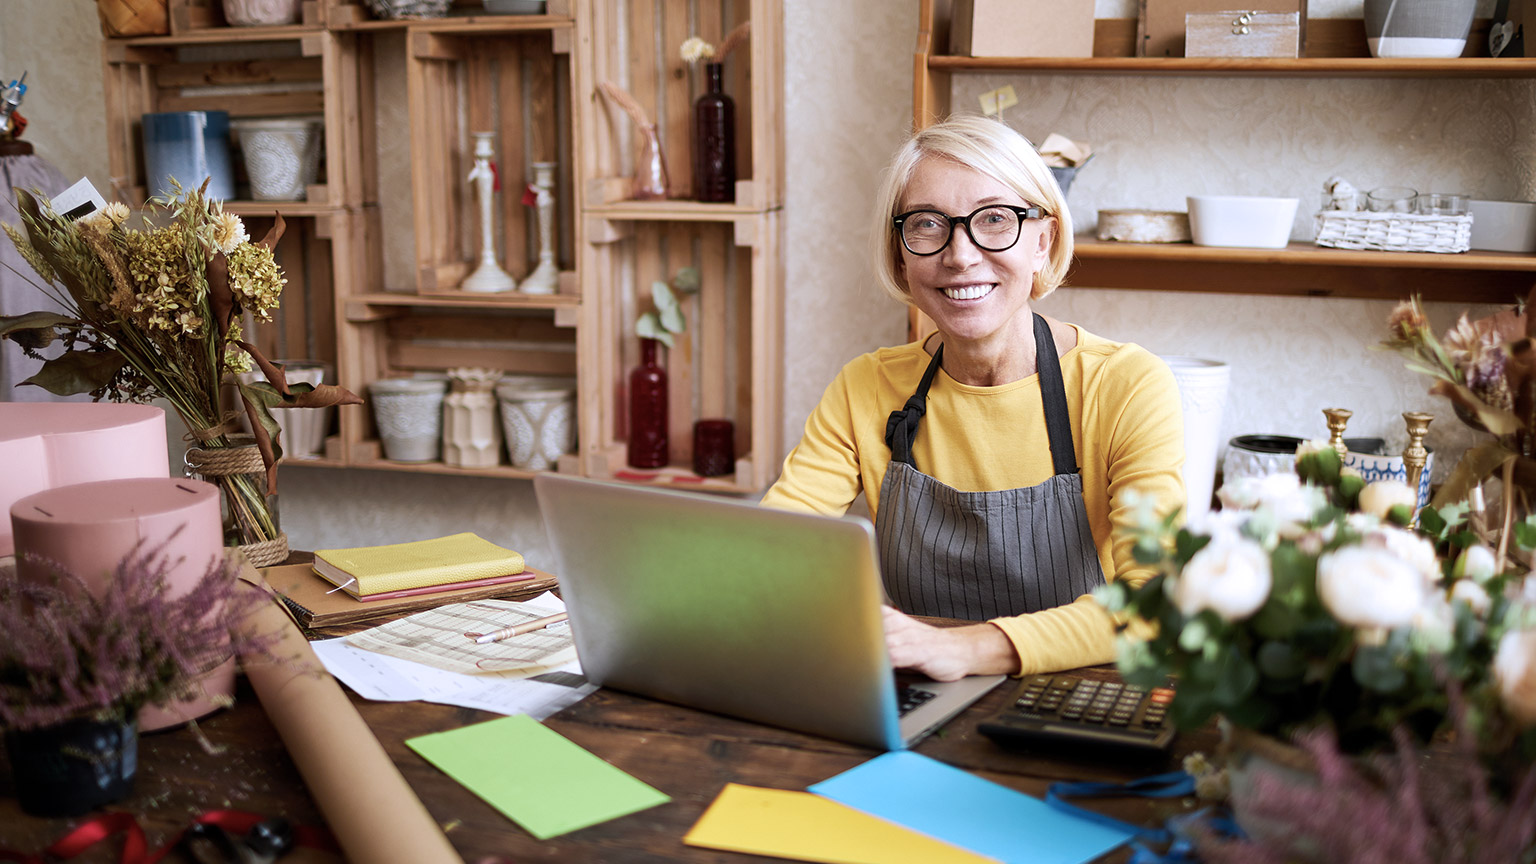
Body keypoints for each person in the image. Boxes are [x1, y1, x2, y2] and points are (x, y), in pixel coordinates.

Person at [760, 115, 1185, 682]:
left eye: (993, 220)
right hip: (919, 696)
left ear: (1043, 240)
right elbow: (771, 553)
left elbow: (1152, 604)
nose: (960, 256)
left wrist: (964, 650)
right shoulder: (866, 388)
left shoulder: (1126, 385)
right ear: (901, 253)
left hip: (1075, 698)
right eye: (929, 225)